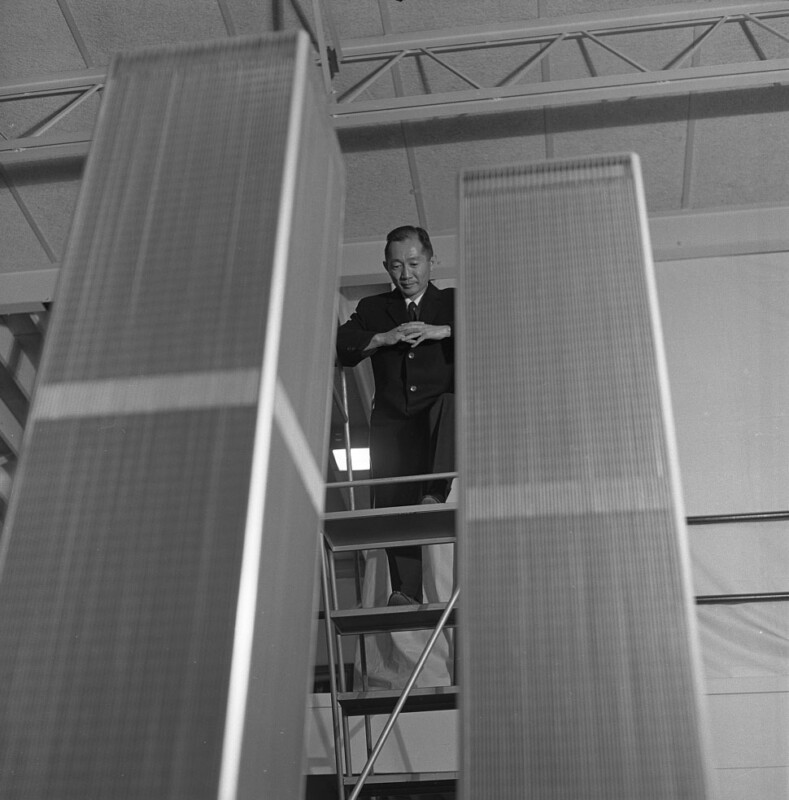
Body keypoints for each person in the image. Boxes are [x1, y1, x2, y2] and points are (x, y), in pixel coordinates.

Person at [336, 225, 455, 606]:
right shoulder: (374, 309)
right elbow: (344, 345)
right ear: (386, 268)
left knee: (448, 405)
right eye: (396, 266)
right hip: (392, 421)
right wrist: (383, 338)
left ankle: (435, 493)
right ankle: (405, 591)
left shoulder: (453, 301)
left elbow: (493, 329)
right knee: (392, 502)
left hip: (438, 415)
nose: (406, 274)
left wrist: (441, 330)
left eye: (414, 263)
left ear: (431, 260)